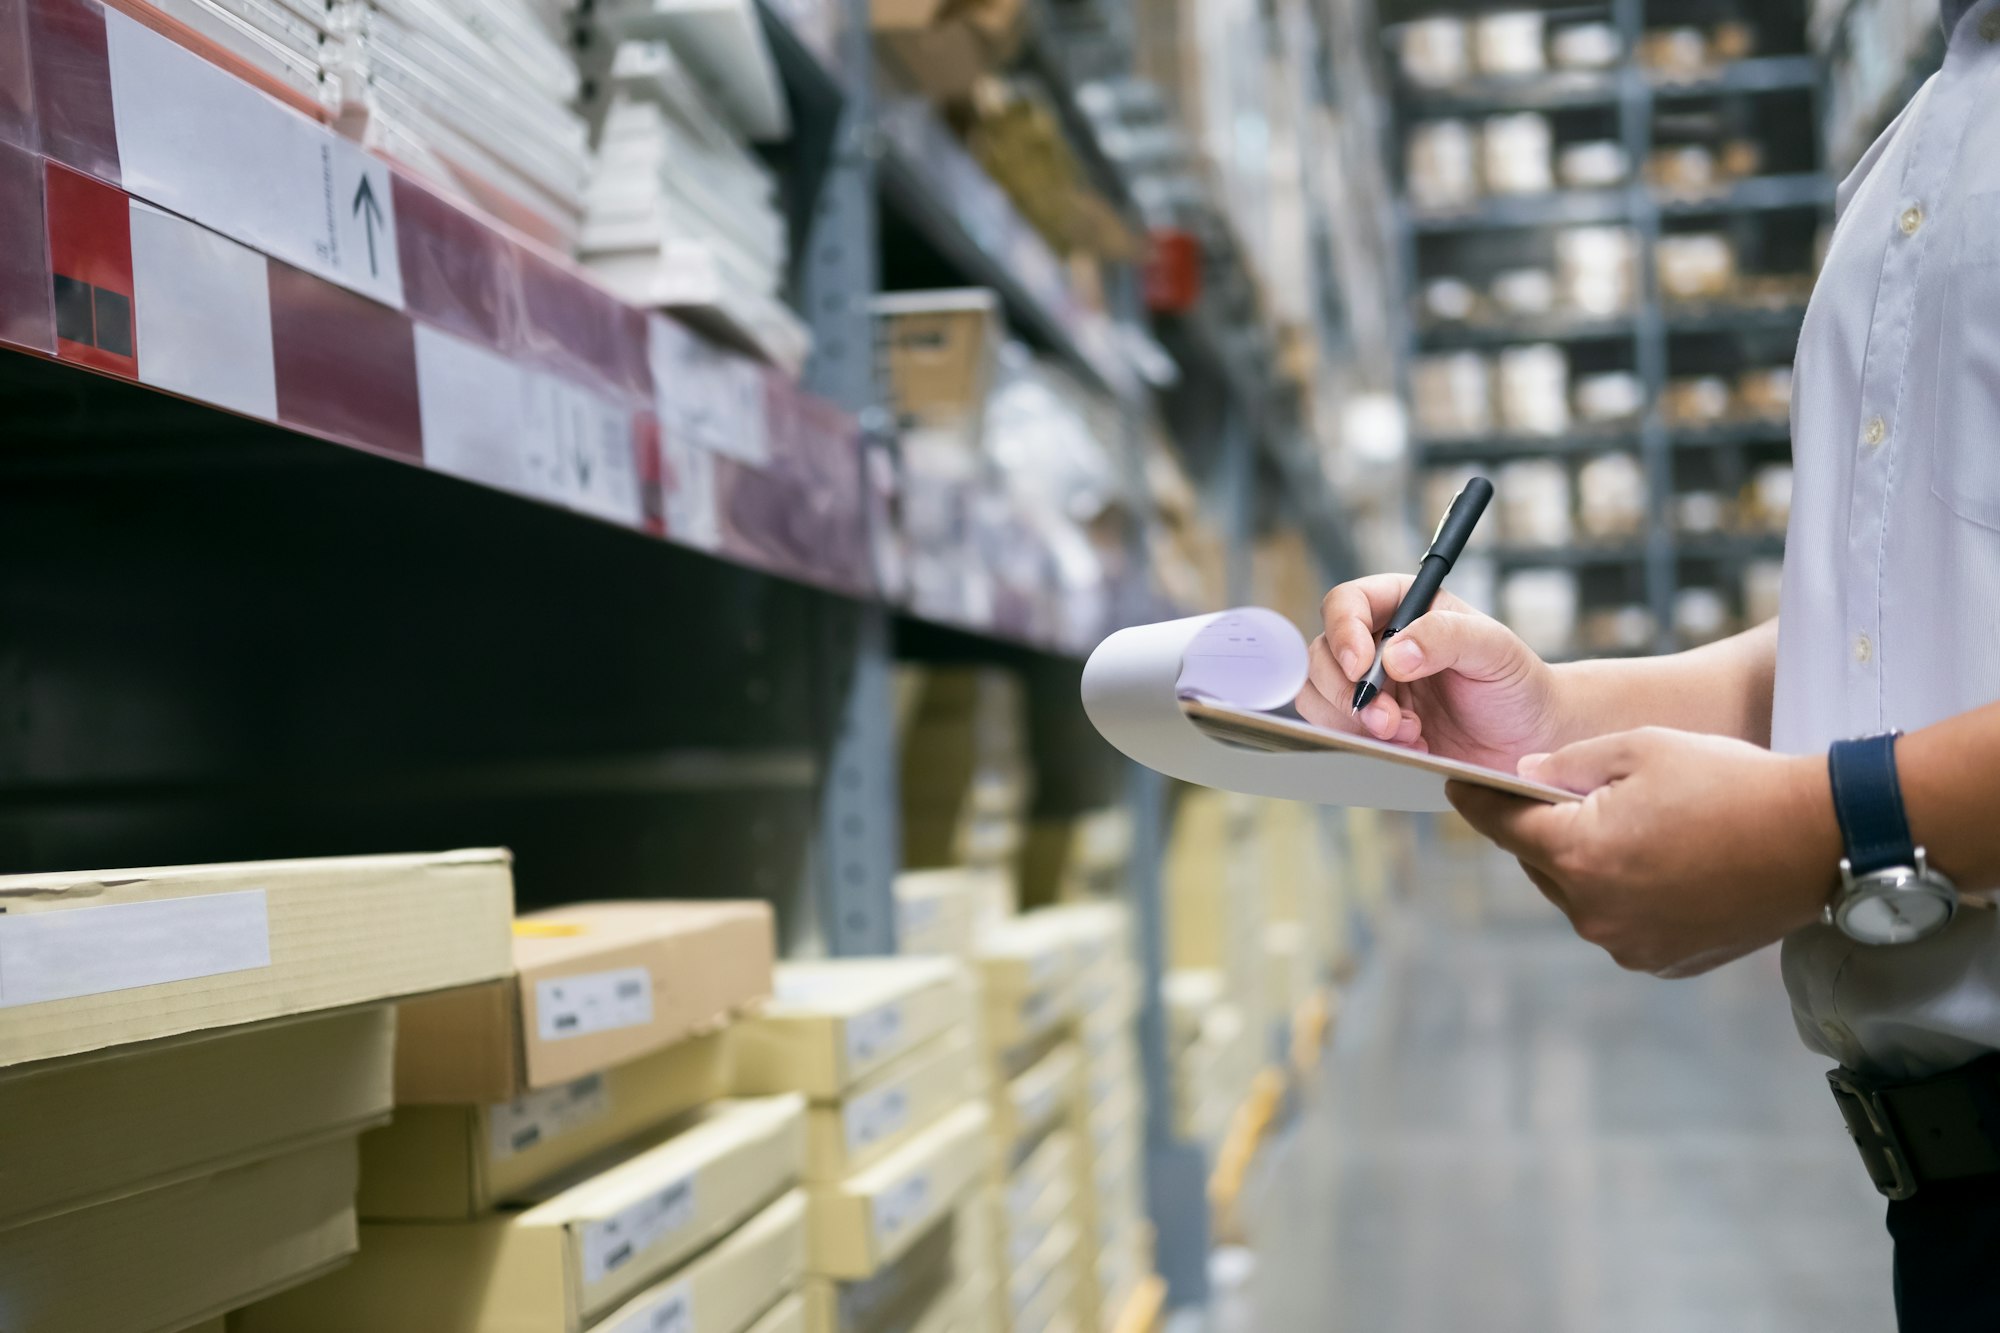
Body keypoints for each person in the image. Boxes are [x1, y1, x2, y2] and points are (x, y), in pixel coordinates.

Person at [1300, 4, 2000, 1328]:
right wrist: (1558, 708)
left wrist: (1828, 829)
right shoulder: (1934, 125)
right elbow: (1921, 629)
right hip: (1955, 1213)